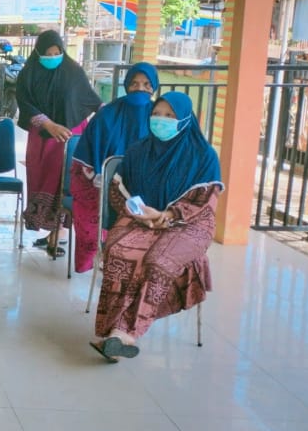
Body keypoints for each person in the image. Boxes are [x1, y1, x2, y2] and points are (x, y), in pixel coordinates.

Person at [91, 92, 221, 361]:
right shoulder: (139, 150)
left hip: (189, 223)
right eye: (157, 114)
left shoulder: (203, 155)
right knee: (120, 251)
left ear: (185, 119)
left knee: (158, 261)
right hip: (141, 218)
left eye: (169, 116)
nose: (161, 120)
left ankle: (124, 333)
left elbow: (205, 201)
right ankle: (116, 334)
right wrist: (139, 214)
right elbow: (119, 191)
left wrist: (168, 215)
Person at [15, 30, 102, 256]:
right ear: (38, 52)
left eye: (57, 52)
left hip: (70, 137)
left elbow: (90, 99)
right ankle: (50, 231)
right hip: (43, 139)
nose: (53, 56)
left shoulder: (73, 71)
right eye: (48, 53)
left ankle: (58, 233)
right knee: (43, 180)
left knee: (66, 182)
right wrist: (48, 124)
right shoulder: (28, 74)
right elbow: (25, 104)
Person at [68, 63, 157, 274]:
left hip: (148, 190)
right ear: (126, 85)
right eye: (134, 83)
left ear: (154, 87)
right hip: (102, 187)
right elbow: (87, 153)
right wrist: (100, 176)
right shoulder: (107, 113)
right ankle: (105, 256)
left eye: (146, 84)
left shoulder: (159, 114)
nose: (140, 89)